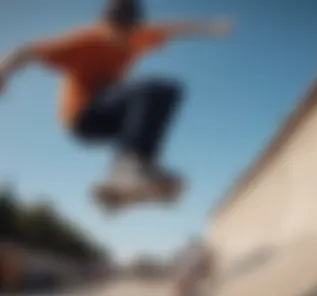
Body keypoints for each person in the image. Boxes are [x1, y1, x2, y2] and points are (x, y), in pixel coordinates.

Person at [0, 0, 233, 208]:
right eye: (115, 32)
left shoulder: (137, 37)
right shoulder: (87, 40)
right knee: (152, 90)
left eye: (126, 34)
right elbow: (25, 51)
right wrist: (3, 73)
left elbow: (175, 29)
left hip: (112, 116)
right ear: (105, 23)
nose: (120, 40)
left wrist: (210, 26)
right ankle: (127, 169)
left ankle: (122, 188)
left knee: (167, 93)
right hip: (83, 116)